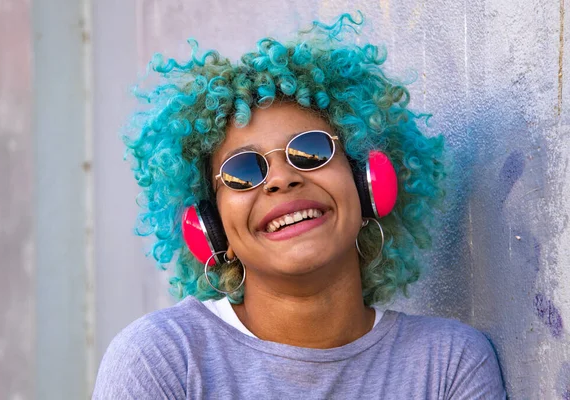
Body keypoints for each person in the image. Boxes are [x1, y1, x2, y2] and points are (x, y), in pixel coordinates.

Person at [93, 13, 506, 399]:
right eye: (243, 172)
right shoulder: (162, 360)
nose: (280, 179)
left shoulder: (449, 364)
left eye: (310, 151)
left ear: (367, 187)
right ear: (210, 226)